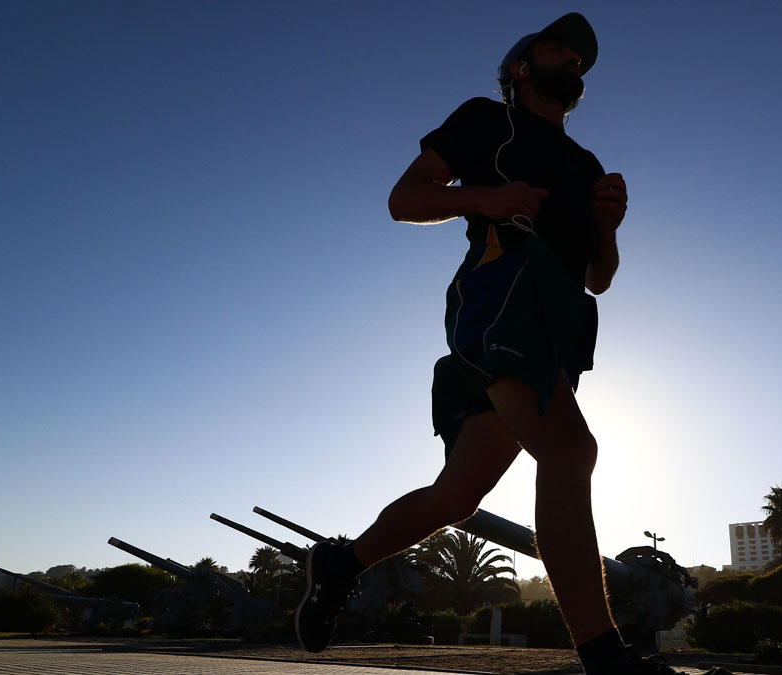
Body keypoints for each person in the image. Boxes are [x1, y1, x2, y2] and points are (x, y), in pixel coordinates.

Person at [295, 14, 721, 675]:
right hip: (500, 298)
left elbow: (598, 278)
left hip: (558, 322)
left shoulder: (586, 165)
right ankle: (606, 659)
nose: (572, 60)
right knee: (570, 449)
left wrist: (608, 227)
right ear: (520, 68)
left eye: (579, 58)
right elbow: (405, 199)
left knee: (455, 498)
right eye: (558, 49)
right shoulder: (484, 119)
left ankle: (339, 562)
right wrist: (489, 198)